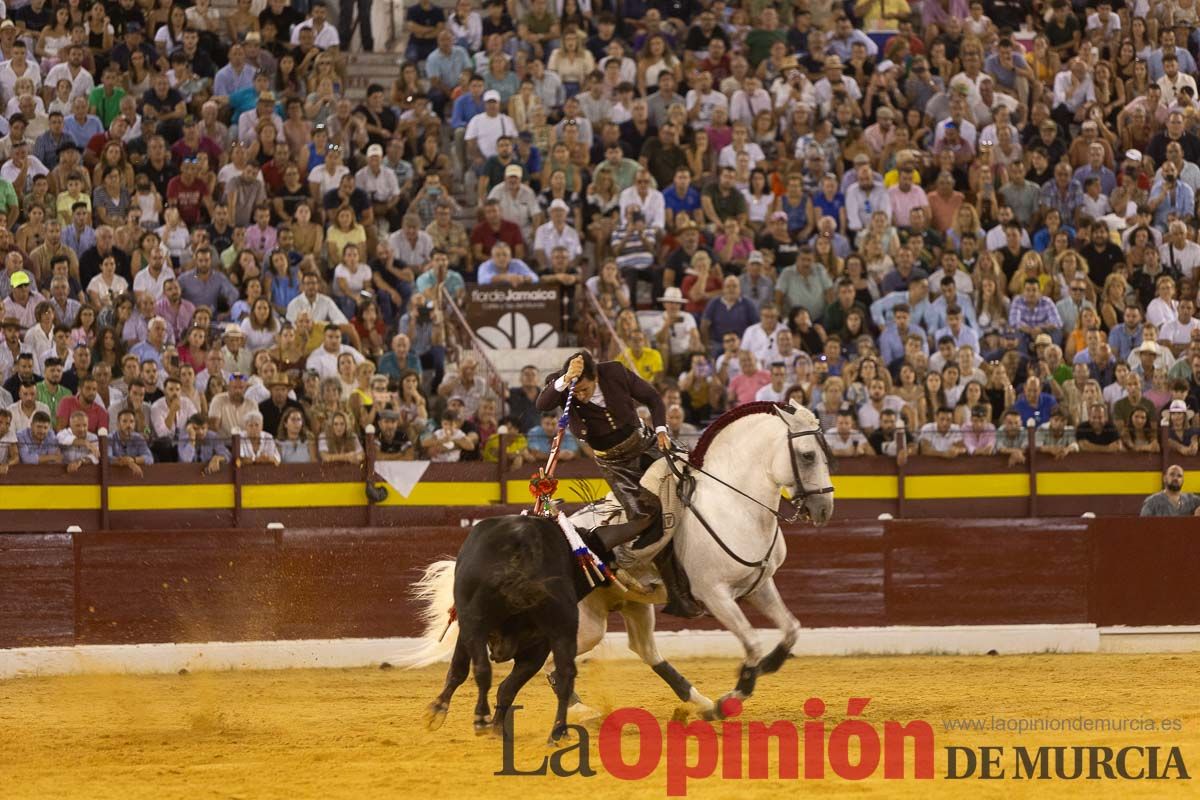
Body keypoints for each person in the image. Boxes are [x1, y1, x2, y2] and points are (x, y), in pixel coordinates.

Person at [537, 351, 701, 617]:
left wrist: (661, 429)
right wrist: (566, 379)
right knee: (648, 516)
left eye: (585, 389)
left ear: (596, 376)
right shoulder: (563, 384)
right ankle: (672, 590)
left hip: (646, 445)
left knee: (695, 481)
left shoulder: (614, 371)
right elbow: (543, 404)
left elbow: (652, 398)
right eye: (576, 391)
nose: (580, 395)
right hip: (617, 466)